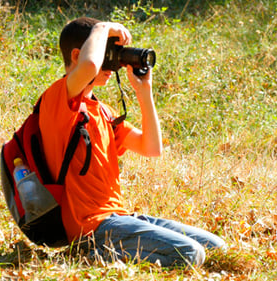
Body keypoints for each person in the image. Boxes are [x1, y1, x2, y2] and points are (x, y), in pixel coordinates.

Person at [38, 17, 225, 267]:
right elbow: (90, 65)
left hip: (120, 218)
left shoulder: (103, 112)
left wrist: (143, 92)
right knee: (190, 254)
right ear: (76, 55)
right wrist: (103, 28)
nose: (111, 64)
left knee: (217, 248)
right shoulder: (58, 101)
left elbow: (152, 147)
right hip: (91, 228)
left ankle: (113, 250)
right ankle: (90, 254)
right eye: (107, 54)